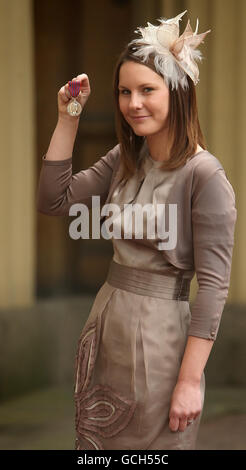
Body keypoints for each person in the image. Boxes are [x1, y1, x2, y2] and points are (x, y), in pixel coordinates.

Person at [36, 11, 237, 450]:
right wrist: (69, 117)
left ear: (178, 92)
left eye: (148, 90)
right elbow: (53, 201)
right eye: (125, 92)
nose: (133, 103)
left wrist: (189, 380)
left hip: (161, 338)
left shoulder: (206, 176)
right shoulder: (125, 158)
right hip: (106, 328)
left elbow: (215, 287)